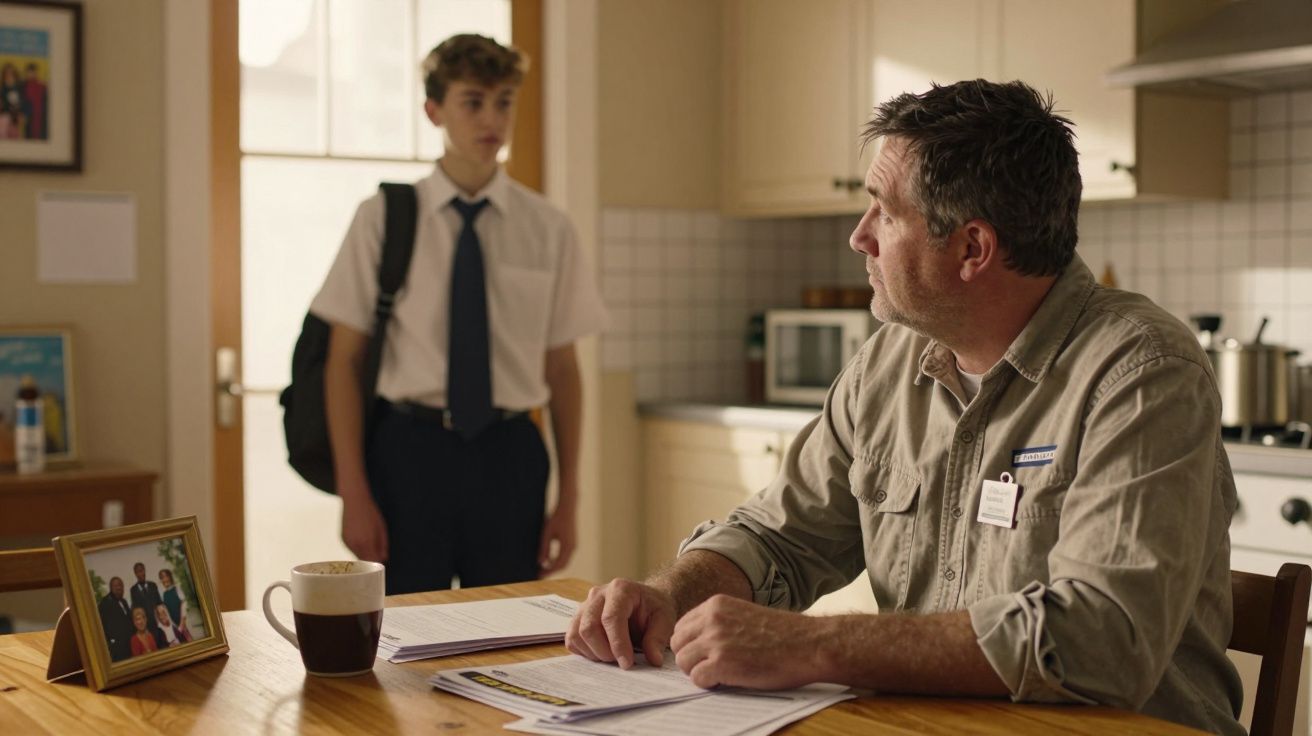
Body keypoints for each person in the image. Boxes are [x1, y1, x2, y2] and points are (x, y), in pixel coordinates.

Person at [566, 80, 1243, 736]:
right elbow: (781, 536)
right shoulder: (889, 362)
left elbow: (1103, 639)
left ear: (972, 249)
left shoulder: (1142, 372)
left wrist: (814, 644)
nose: (859, 237)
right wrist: (671, 593)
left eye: (885, 214)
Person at [312, 33, 606, 595]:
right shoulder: (383, 219)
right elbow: (343, 362)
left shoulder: (548, 228)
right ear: (435, 110)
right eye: (473, 101)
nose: (491, 118)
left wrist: (569, 498)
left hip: (510, 453)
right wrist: (354, 493)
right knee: (403, 626)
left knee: (510, 624)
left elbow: (563, 369)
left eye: (504, 102)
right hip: (408, 451)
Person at [97, 577, 134, 662]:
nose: (119, 588)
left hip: (129, 644)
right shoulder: (105, 603)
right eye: (116, 585)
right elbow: (102, 625)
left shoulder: (124, 601)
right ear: (111, 587)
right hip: (117, 648)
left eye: (120, 585)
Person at [129, 562, 164, 640]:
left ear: (144, 571)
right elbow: (136, 609)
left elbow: (159, 603)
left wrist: (162, 620)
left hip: (159, 624)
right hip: (146, 627)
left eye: (142, 570)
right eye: (138, 571)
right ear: (135, 574)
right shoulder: (133, 590)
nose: (140, 573)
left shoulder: (153, 585)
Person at [158, 568, 189, 635]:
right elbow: (167, 612)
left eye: (166, 576)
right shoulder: (164, 594)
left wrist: (182, 624)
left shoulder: (177, 589)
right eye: (162, 578)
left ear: (170, 577)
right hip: (174, 626)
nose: (164, 579)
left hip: (184, 623)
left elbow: (184, 606)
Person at [21, 62, 46, 140]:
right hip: (28, 115)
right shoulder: (23, 85)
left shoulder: (42, 86)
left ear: (36, 73)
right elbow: (23, 101)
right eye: (29, 72)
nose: (31, 74)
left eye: (33, 72)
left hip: (40, 114)